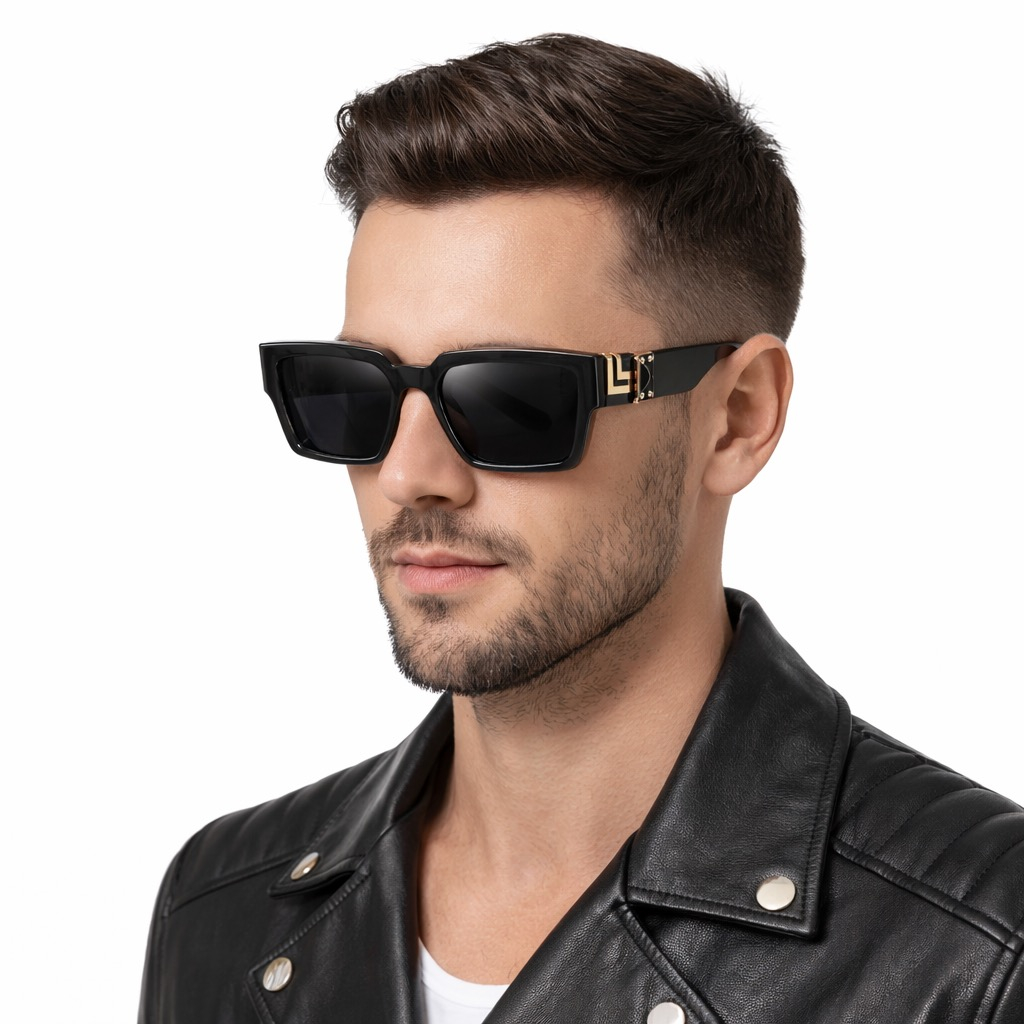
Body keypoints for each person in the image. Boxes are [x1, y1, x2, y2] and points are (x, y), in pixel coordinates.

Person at [139, 34, 1024, 1024]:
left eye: (511, 399)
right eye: (351, 392)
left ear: (736, 418)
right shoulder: (223, 906)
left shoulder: (981, 944)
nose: (409, 475)